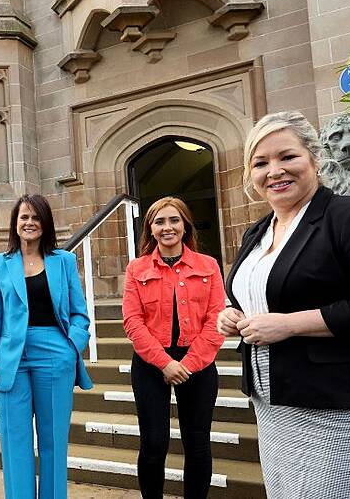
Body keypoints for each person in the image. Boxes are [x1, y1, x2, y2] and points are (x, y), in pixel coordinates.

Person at [216, 111, 350, 498]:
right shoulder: (258, 231)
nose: (274, 171)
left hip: (342, 409)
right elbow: (264, 295)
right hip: (274, 406)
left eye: (287, 157)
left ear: (315, 158)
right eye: (260, 163)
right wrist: (234, 314)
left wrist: (290, 324)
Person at [0, 194, 92, 499]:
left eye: (36, 218)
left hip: (55, 352)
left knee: (53, 440)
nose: (29, 223)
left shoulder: (64, 261)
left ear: (45, 224)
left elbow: (80, 314)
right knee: (14, 439)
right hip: (10, 357)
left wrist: (72, 347)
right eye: (23, 217)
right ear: (15, 224)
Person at [121, 196, 224, 499]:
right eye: (160, 221)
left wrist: (189, 363)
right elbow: (133, 322)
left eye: (174, 220)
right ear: (150, 229)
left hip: (198, 363)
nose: (167, 227)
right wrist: (164, 363)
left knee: (198, 444)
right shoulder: (136, 269)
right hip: (151, 364)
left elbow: (216, 319)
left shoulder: (208, 266)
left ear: (185, 224)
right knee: (153, 443)